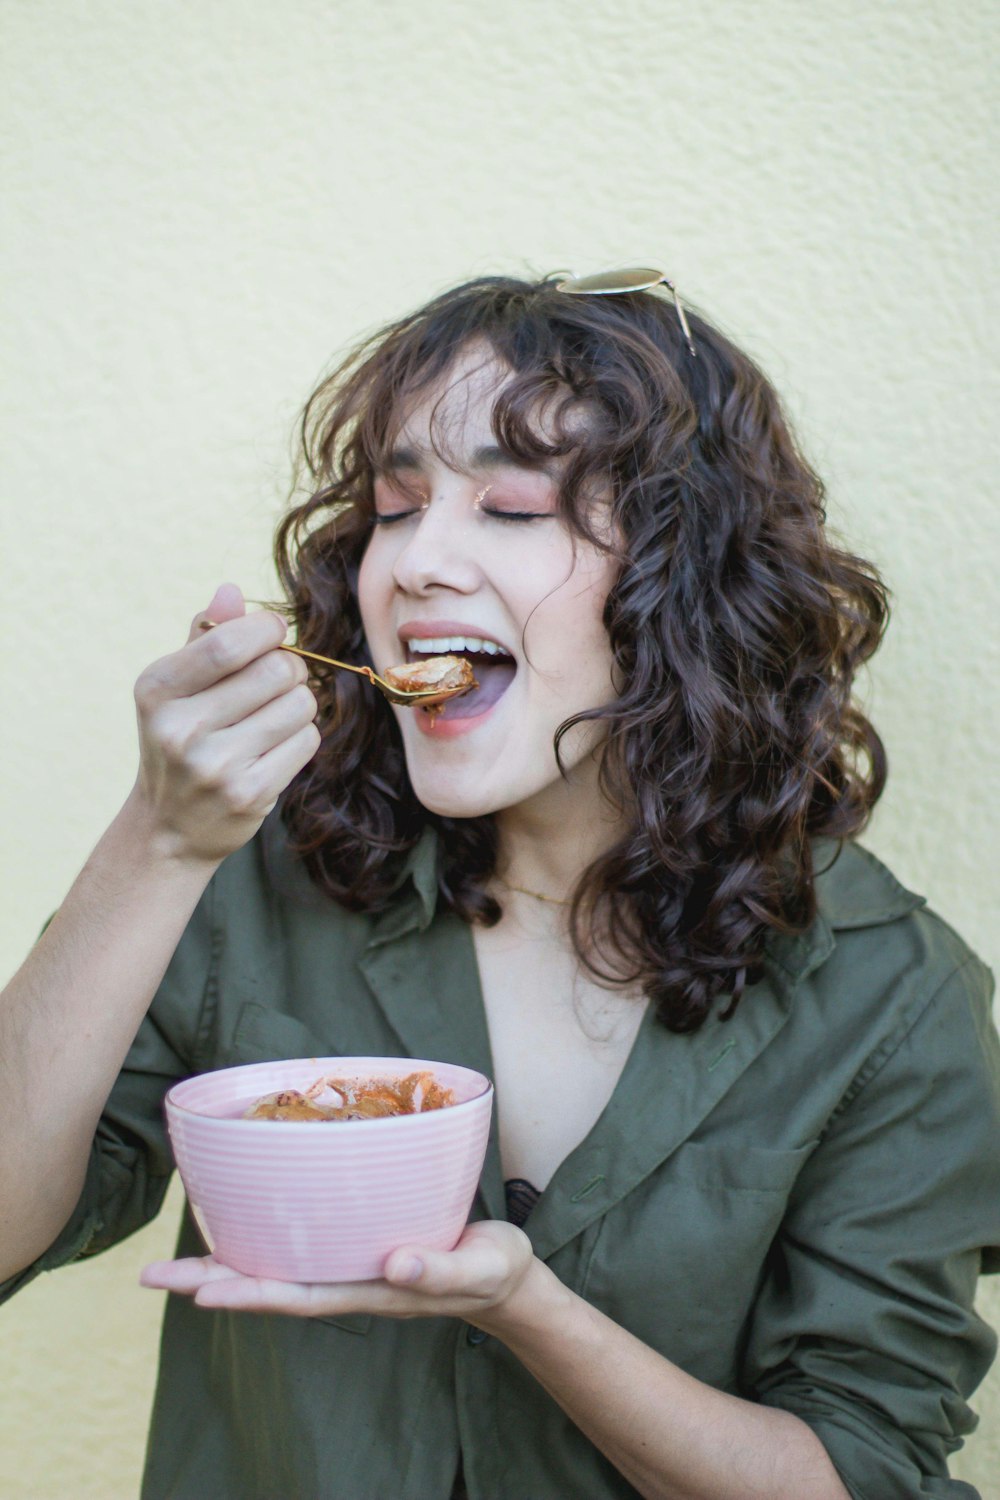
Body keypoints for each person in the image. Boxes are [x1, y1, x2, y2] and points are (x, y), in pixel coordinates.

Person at [2, 268, 998, 1500]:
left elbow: (861, 1473)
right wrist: (154, 840)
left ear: (684, 588)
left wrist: (529, 1307)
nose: (417, 562)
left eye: (514, 509)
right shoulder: (250, 882)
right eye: (396, 505)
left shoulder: (888, 995)